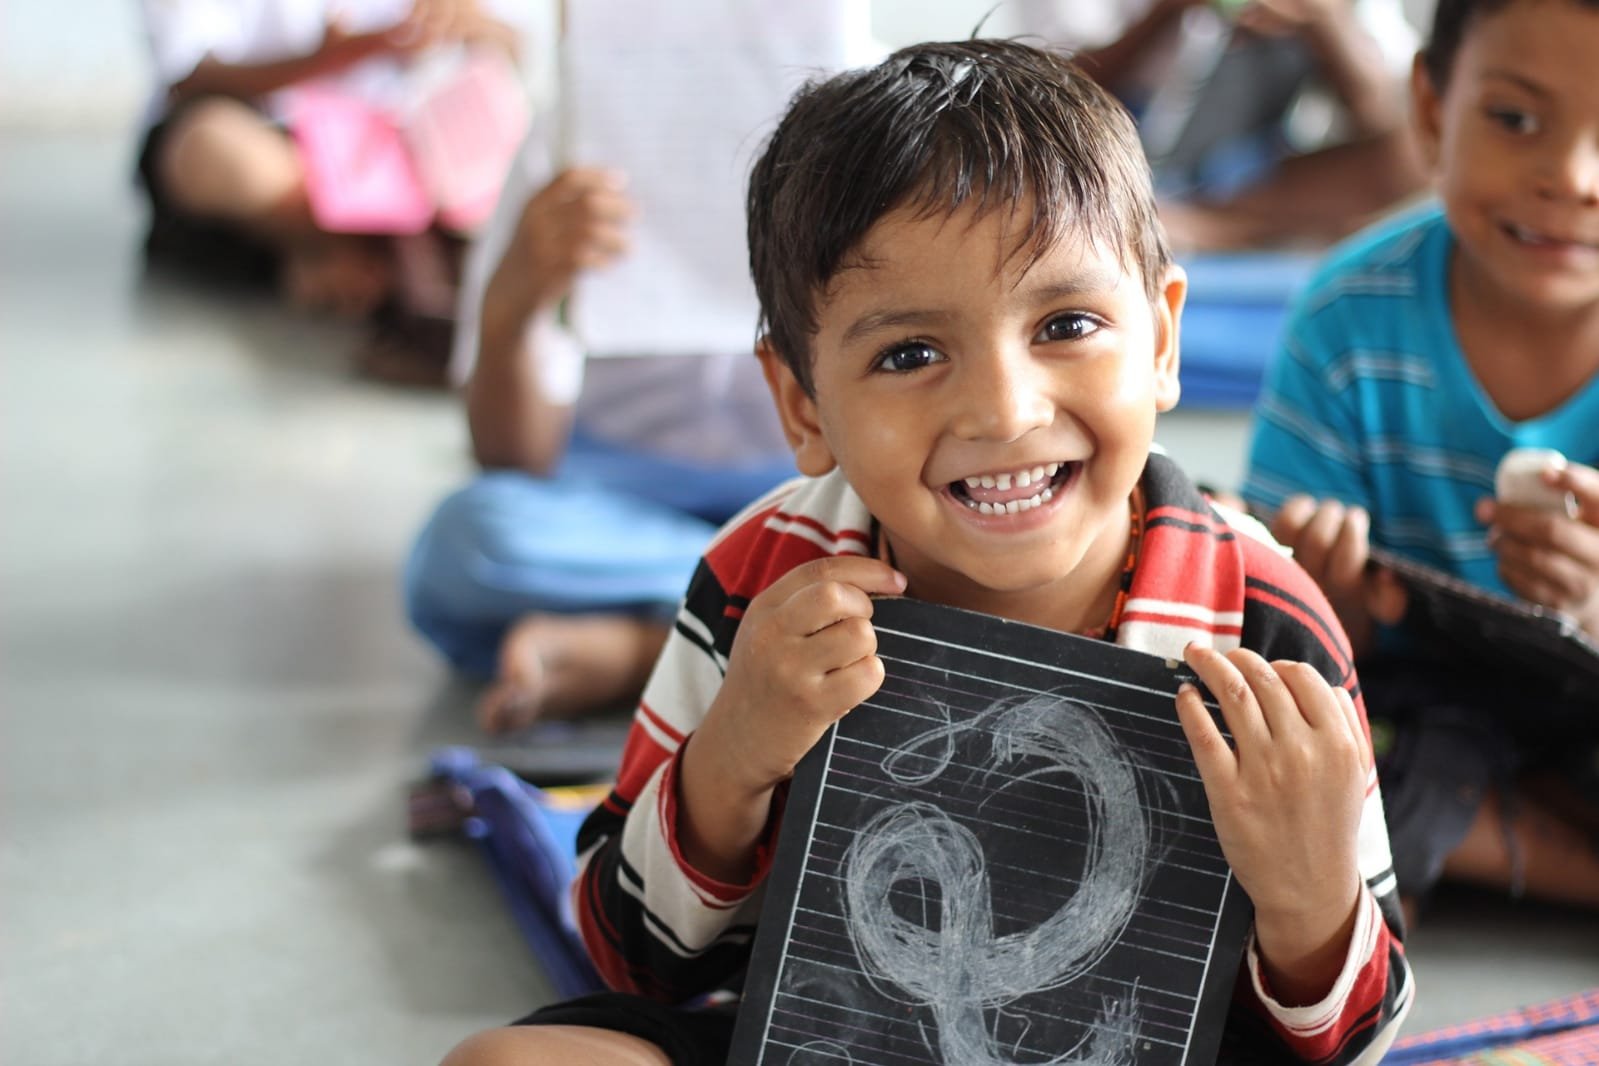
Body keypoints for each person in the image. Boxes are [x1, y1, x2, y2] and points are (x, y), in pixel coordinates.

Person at [439, 39, 1413, 1066]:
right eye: (910, 354)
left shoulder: (1263, 620)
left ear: (1162, 344)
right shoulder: (763, 580)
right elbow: (626, 954)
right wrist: (732, 759)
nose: (1002, 409)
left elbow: (1360, 1034)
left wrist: (1311, 906)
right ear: (801, 403)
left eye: (1067, 323)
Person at [400, 1, 870, 731]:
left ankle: (644, 647)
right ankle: (759, 609)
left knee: (953, 536)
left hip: (822, 490)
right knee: (472, 540)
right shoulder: (564, 143)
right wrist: (516, 300)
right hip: (618, 495)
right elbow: (510, 455)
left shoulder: (884, 124)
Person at [1242, 0, 1599, 917]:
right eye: (1514, 119)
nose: (1569, 176)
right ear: (1434, 110)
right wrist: (1334, 612)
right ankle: (1538, 846)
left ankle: (1500, 834)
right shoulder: (1346, 321)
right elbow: (1263, 616)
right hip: (1415, 700)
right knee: (1265, 760)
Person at [135, 0, 525, 317]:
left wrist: (470, 25)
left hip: (401, 151)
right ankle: (379, 255)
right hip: (279, 145)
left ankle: (352, 259)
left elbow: (511, 46)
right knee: (214, 147)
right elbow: (188, 77)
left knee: (503, 132)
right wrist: (331, 57)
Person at [1013, 0, 1427, 251]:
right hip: (1112, 159)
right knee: (1030, 164)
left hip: (1252, 179)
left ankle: (1195, 228)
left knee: (1417, 155)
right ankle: (1166, 221)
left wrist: (1325, 21)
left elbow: (1382, 116)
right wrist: (1165, 13)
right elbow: (1048, 96)